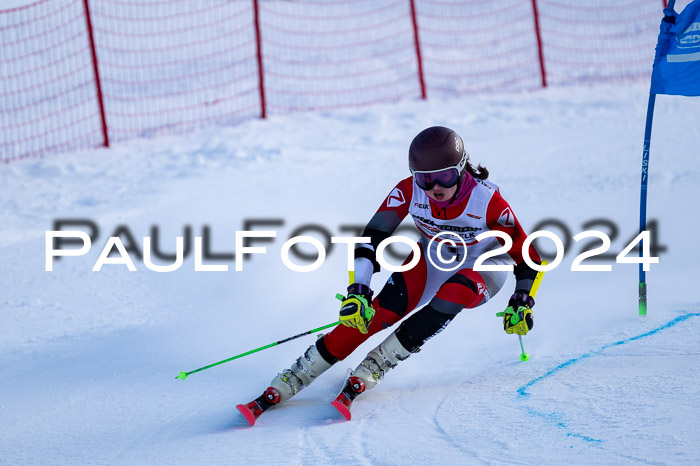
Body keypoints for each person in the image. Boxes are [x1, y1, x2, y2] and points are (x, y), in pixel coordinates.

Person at [237, 126, 542, 424]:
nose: (435, 187)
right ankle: (298, 374)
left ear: (462, 169)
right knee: (376, 314)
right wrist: (358, 290)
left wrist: (522, 300)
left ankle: (379, 362)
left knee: (455, 293)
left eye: (445, 176)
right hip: (435, 255)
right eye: (424, 179)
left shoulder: (488, 202)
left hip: (484, 264)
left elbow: (528, 257)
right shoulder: (408, 191)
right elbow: (371, 238)